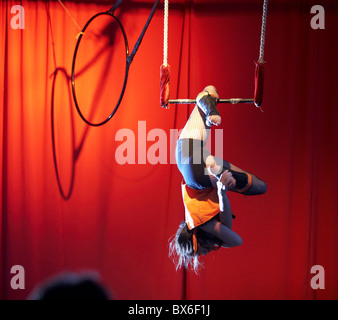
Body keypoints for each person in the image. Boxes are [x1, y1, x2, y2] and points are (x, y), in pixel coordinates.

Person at [169, 85, 267, 273]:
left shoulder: (204, 224)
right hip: (185, 157)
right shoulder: (194, 220)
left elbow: (237, 240)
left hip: (199, 173)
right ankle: (208, 104)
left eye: (202, 253)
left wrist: (222, 195)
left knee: (261, 187)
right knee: (210, 90)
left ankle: (213, 168)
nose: (205, 254)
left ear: (198, 240)